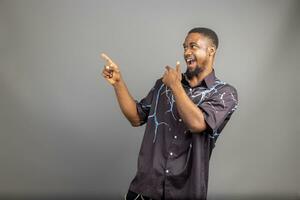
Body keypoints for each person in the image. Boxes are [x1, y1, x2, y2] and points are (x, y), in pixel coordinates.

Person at [101, 27, 238, 200]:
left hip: (185, 192)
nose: (186, 52)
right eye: (184, 47)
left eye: (193, 46)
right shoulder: (163, 85)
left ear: (211, 50)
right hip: (145, 189)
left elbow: (197, 124)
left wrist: (175, 86)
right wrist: (118, 83)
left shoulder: (224, 93)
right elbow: (136, 118)